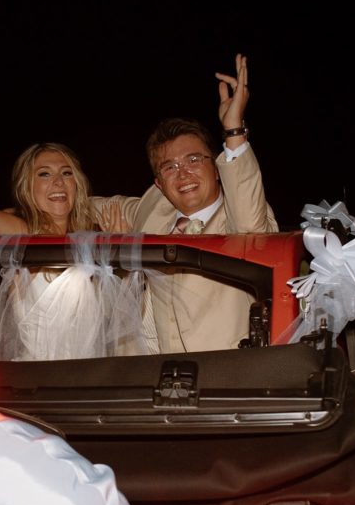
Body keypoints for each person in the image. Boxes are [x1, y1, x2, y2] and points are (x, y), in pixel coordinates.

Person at [93, 53, 279, 353]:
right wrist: (22, 208)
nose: (183, 174)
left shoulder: (240, 219)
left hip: (224, 379)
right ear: (159, 183)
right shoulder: (150, 210)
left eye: (194, 160)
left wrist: (233, 132)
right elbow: (85, 205)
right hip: (149, 380)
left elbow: (251, 222)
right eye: (170, 167)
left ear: (217, 167)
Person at [0, 75, 124, 235]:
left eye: (67, 173)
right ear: (27, 187)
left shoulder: (92, 234)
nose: (59, 181)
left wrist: (116, 250)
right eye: (44, 173)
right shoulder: (19, 232)